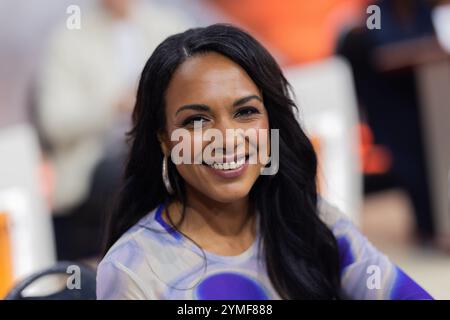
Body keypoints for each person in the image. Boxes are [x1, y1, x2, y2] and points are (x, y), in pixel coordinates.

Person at [96, 24, 433, 300]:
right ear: (164, 139)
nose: (227, 138)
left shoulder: (312, 221)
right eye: (197, 120)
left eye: (245, 112)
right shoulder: (133, 270)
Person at [36, 0, 190, 260]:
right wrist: (114, 104)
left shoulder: (168, 24)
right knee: (136, 168)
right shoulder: (70, 39)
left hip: (165, 141)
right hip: (95, 160)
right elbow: (55, 121)